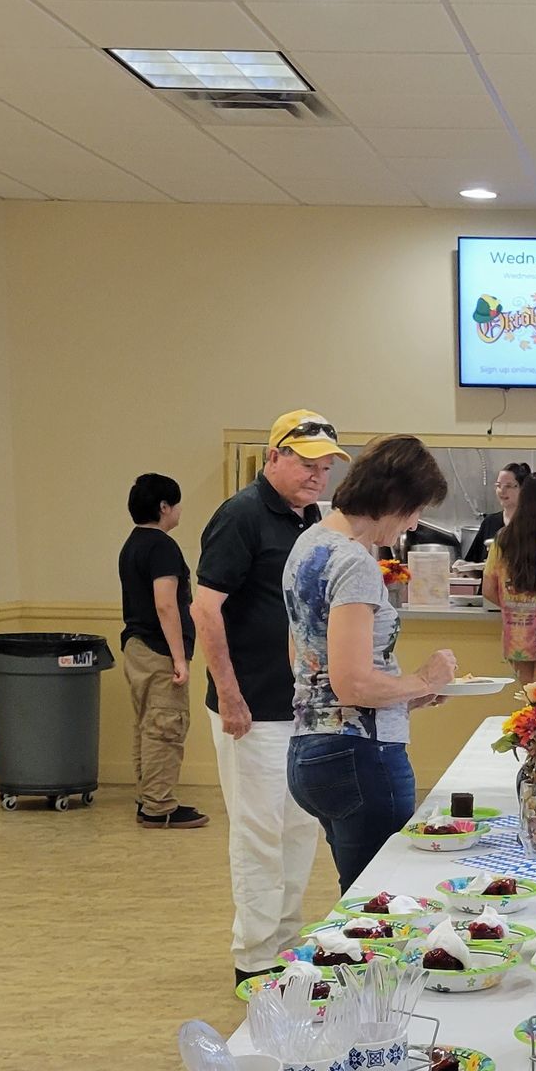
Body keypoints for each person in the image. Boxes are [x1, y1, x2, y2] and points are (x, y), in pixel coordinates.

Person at [193, 411, 346, 986]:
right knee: (259, 832)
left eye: (325, 466)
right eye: (307, 463)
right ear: (273, 457)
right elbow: (205, 609)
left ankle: (285, 944)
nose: (317, 475)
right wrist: (230, 697)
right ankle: (253, 958)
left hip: (303, 706)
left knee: (300, 827)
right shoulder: (242, 516)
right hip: (251, 709)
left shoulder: (310, 519)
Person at [284, 435, 457, 895]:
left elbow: (307, 661)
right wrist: (421, 678)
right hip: (360, 753)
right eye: (415, 509)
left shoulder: (309, 544)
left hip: (309, 748)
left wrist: (406, 697)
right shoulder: (354, 562)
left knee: (357, 895)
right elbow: (352, 684)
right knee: (382, 905)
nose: (415, 523)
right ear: (394, 498)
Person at [117, 471, 206, 830]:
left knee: (147, 726)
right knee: (165, 726)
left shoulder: (132, 544)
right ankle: (159, 805)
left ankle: (148, 796)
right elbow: (166, 605)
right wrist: (179, 658)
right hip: (158, 649)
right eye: (178, 503)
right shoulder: (162, 547)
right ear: (164, 506)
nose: (180, 510)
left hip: (136, 646)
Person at [482, 468, 536, 683]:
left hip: (516, 633)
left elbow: (487, 589)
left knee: (528, 700)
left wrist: (511, 604)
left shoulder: (503, 538)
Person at [463, 461, 531, 565]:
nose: (502, 491)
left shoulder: (531, 524)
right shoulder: (489, 523)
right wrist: (464, 567)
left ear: (522, 489)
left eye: (508, 486)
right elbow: (474, 562)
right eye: (499, 486)